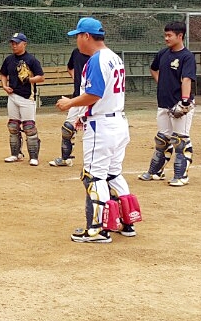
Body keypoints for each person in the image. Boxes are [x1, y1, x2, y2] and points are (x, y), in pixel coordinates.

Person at [56, 17, 139, 243]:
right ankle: (126, 221)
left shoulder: (96, 60)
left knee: (93, 177)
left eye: (78, 37)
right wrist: (84, 115)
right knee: (113, 173)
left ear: (86, 36)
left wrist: (70, 103)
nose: (77, 42)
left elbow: (95, 94)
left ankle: (97, 229)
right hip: (117, 121)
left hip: (102, 126)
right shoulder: (114, 57)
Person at [138, 21, 196, 187]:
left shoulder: (187, 56)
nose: (166, 38)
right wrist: (161, 82)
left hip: (179, 104)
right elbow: (153, 69)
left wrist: (185, 101)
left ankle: (181, 175)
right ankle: (156, 171)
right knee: (162, 139)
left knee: (180, 140)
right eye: (165, 35)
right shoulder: (163, 54)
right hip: (163, 103)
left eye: (169, 35)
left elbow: (187, 79)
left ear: (180, 36)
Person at [0, 32, 45, 166]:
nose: (14, 46)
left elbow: (41, 77)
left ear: (24, 44)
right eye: (12, 43)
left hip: (27, 97)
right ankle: (16, 154)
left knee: (29, 127)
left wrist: (29, 79)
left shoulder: (31, 60)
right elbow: (3, 74)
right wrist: (4, 86)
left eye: (17, 43)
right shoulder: (9, 60)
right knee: (13, 126)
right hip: (13, 96)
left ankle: (34, 157)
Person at [48, 47, 90, 167]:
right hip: (77, 97)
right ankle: (66, 159)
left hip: (92, 98)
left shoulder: (97, 56)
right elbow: (70, 67)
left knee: (92, 131)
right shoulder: (76, 52)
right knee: (68, 129)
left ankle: (98, 161)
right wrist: (76, 79)